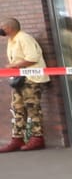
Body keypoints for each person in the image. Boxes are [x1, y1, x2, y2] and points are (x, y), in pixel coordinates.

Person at [1, 17, 50, 153]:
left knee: (32, 108)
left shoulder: (24, 38)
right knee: (18, 108)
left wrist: (13, 66)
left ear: (10, 28)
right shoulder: (11, 40)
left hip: (31, 78)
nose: (1, 30)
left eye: (3, 27)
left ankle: (37, 138)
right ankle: (17, 139)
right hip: (20, 79)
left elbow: (32, 58)